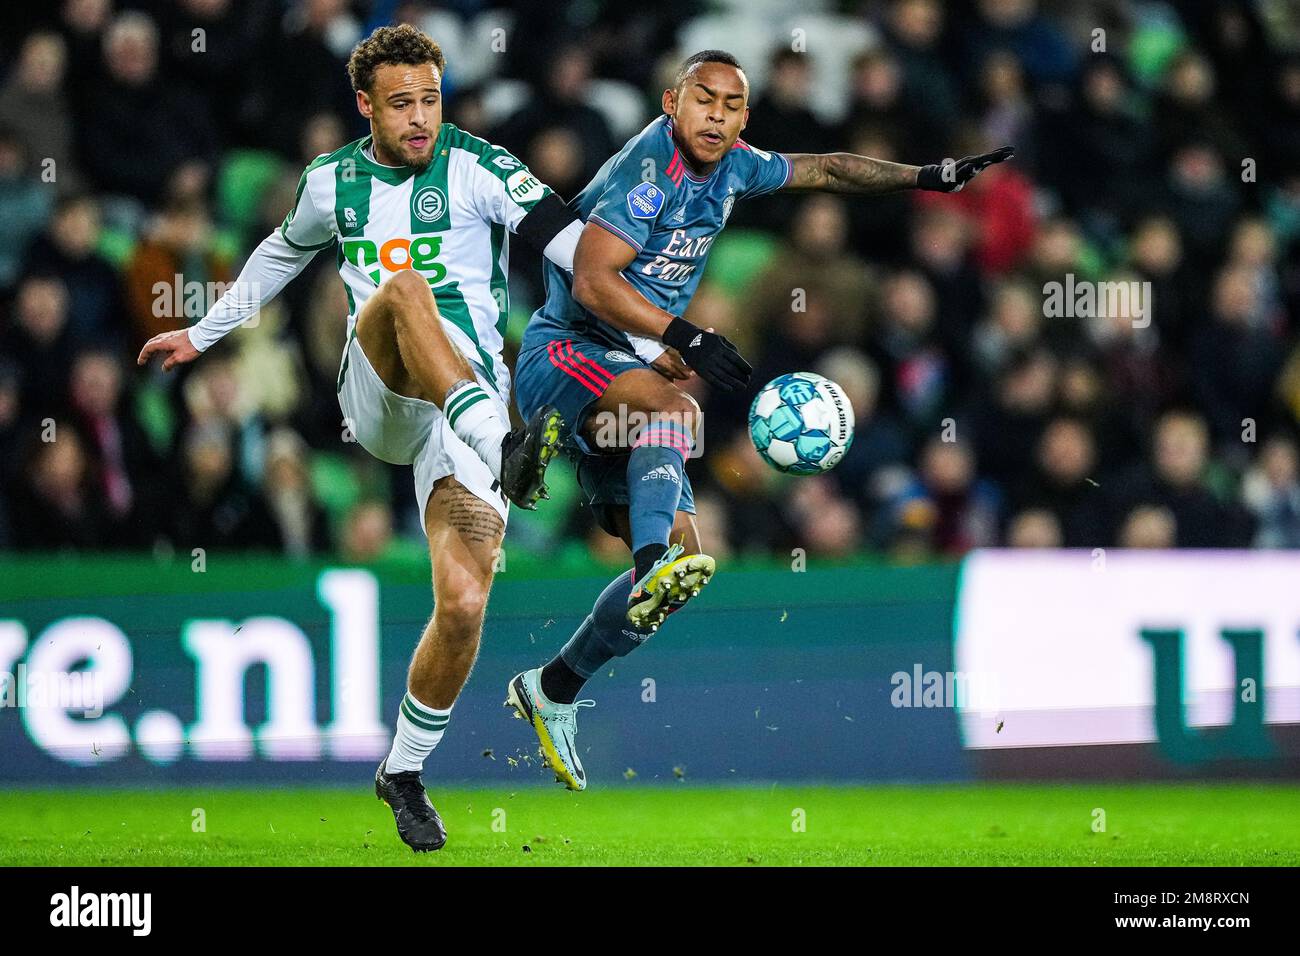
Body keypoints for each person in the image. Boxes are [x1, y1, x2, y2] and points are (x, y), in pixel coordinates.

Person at [508, 49, 1013, 790]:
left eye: (731, 105)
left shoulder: (737, 165)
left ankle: (553, 688)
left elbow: (829, 170)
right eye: (702, 100)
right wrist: (684, 336)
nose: (715, 115)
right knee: (673, 415)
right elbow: (591, 279)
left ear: (745, 117)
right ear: (670, 102)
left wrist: (925, 178)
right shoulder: (649, 177)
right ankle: (546, 462)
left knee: (684, 559)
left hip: (627, 368)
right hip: (565, 350)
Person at [137, 25, 580, 853]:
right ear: (365, 106)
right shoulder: (330, 182)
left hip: (465, 411)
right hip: (382, 394)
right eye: (402, 104)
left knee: (465, 604)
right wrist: (201, 334)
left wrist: (652, 331)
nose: (420, 119)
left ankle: (403, 772)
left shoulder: (480, 167)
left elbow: (574, 247)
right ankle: (504, 446)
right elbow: (279, 254)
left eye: (431, 100)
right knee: (405, 289)